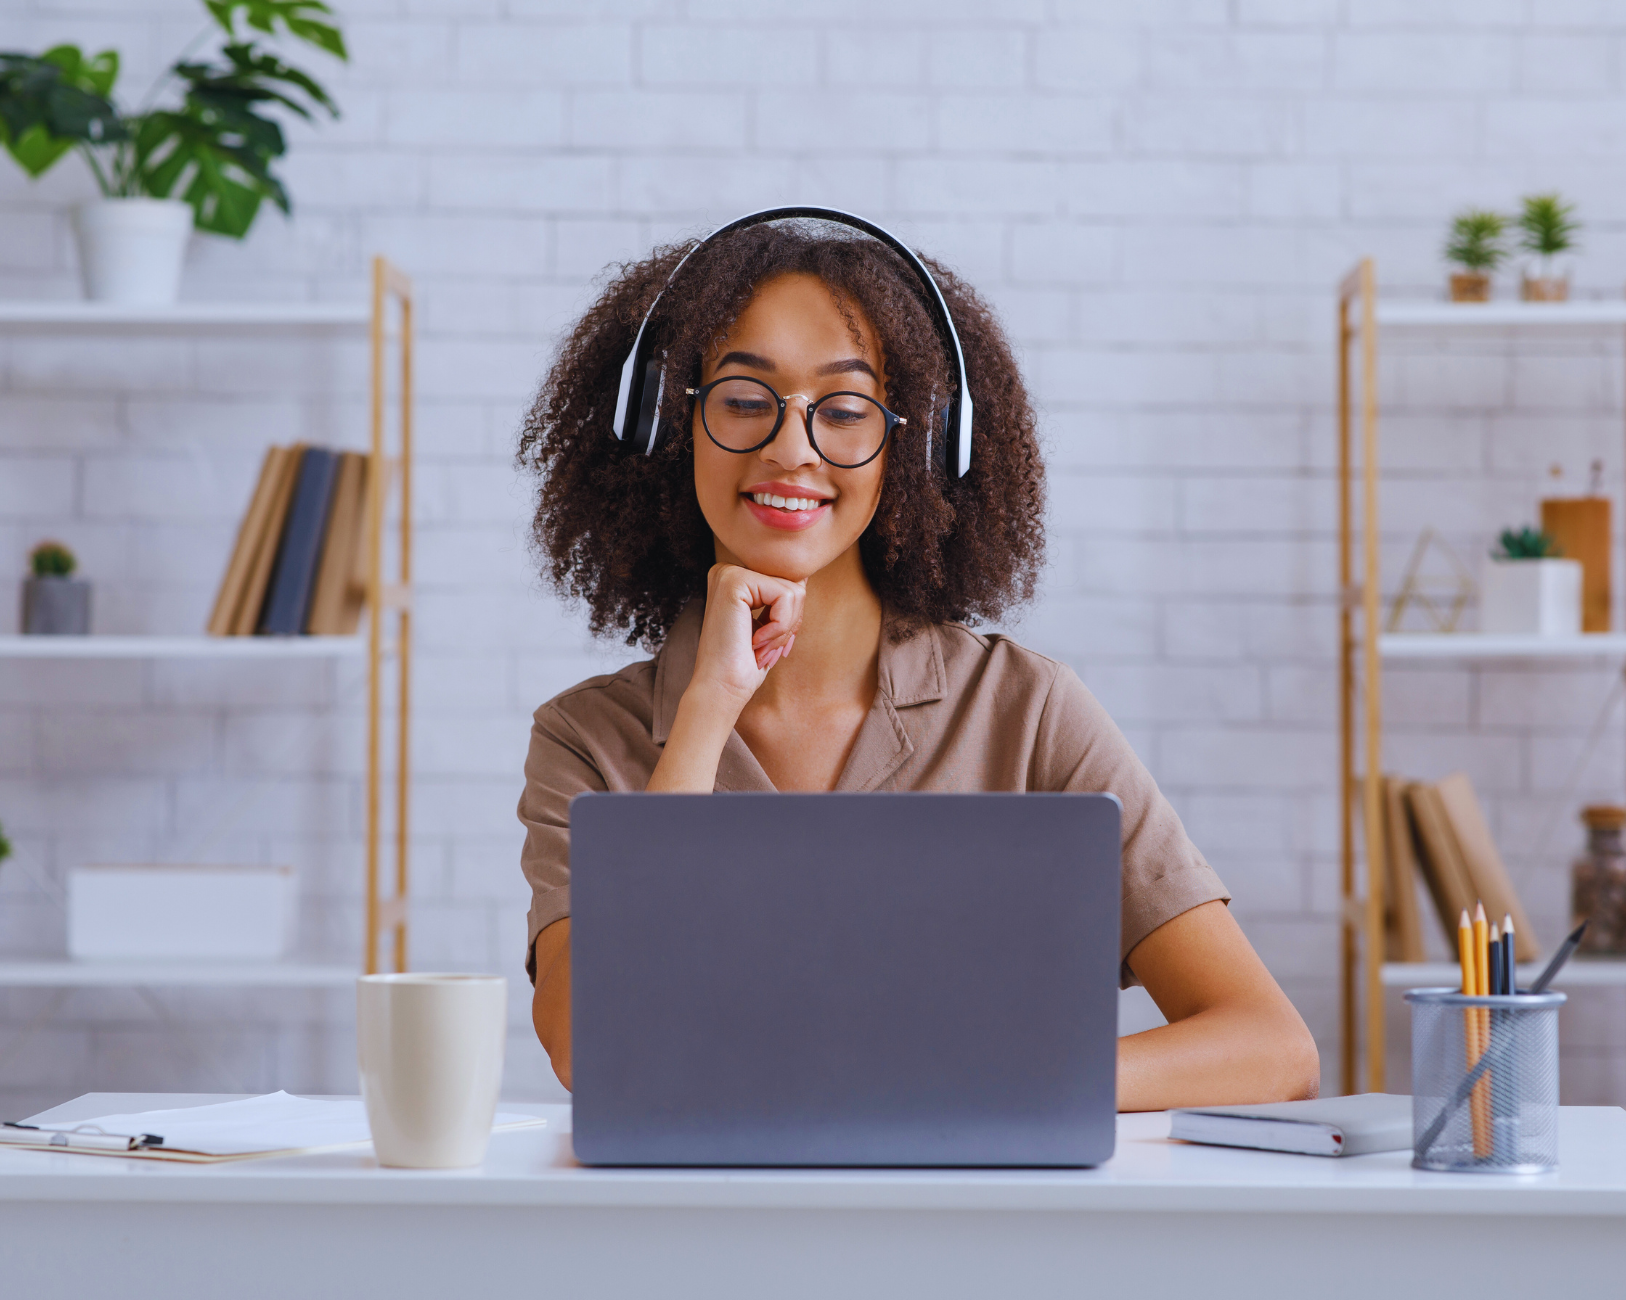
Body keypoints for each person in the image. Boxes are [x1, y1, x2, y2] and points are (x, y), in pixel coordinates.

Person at [515, 215, 1319, 1110]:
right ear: (672, 427)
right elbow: (592, 1049)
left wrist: (971, 1084)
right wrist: (707, 708)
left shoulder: (1026, 711)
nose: (792, 448)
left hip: (975, 1242)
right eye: (743, 399)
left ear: (920, 447)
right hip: (712, 1237)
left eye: (847, 410)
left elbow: (1269, 1047)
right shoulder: (588, 741)